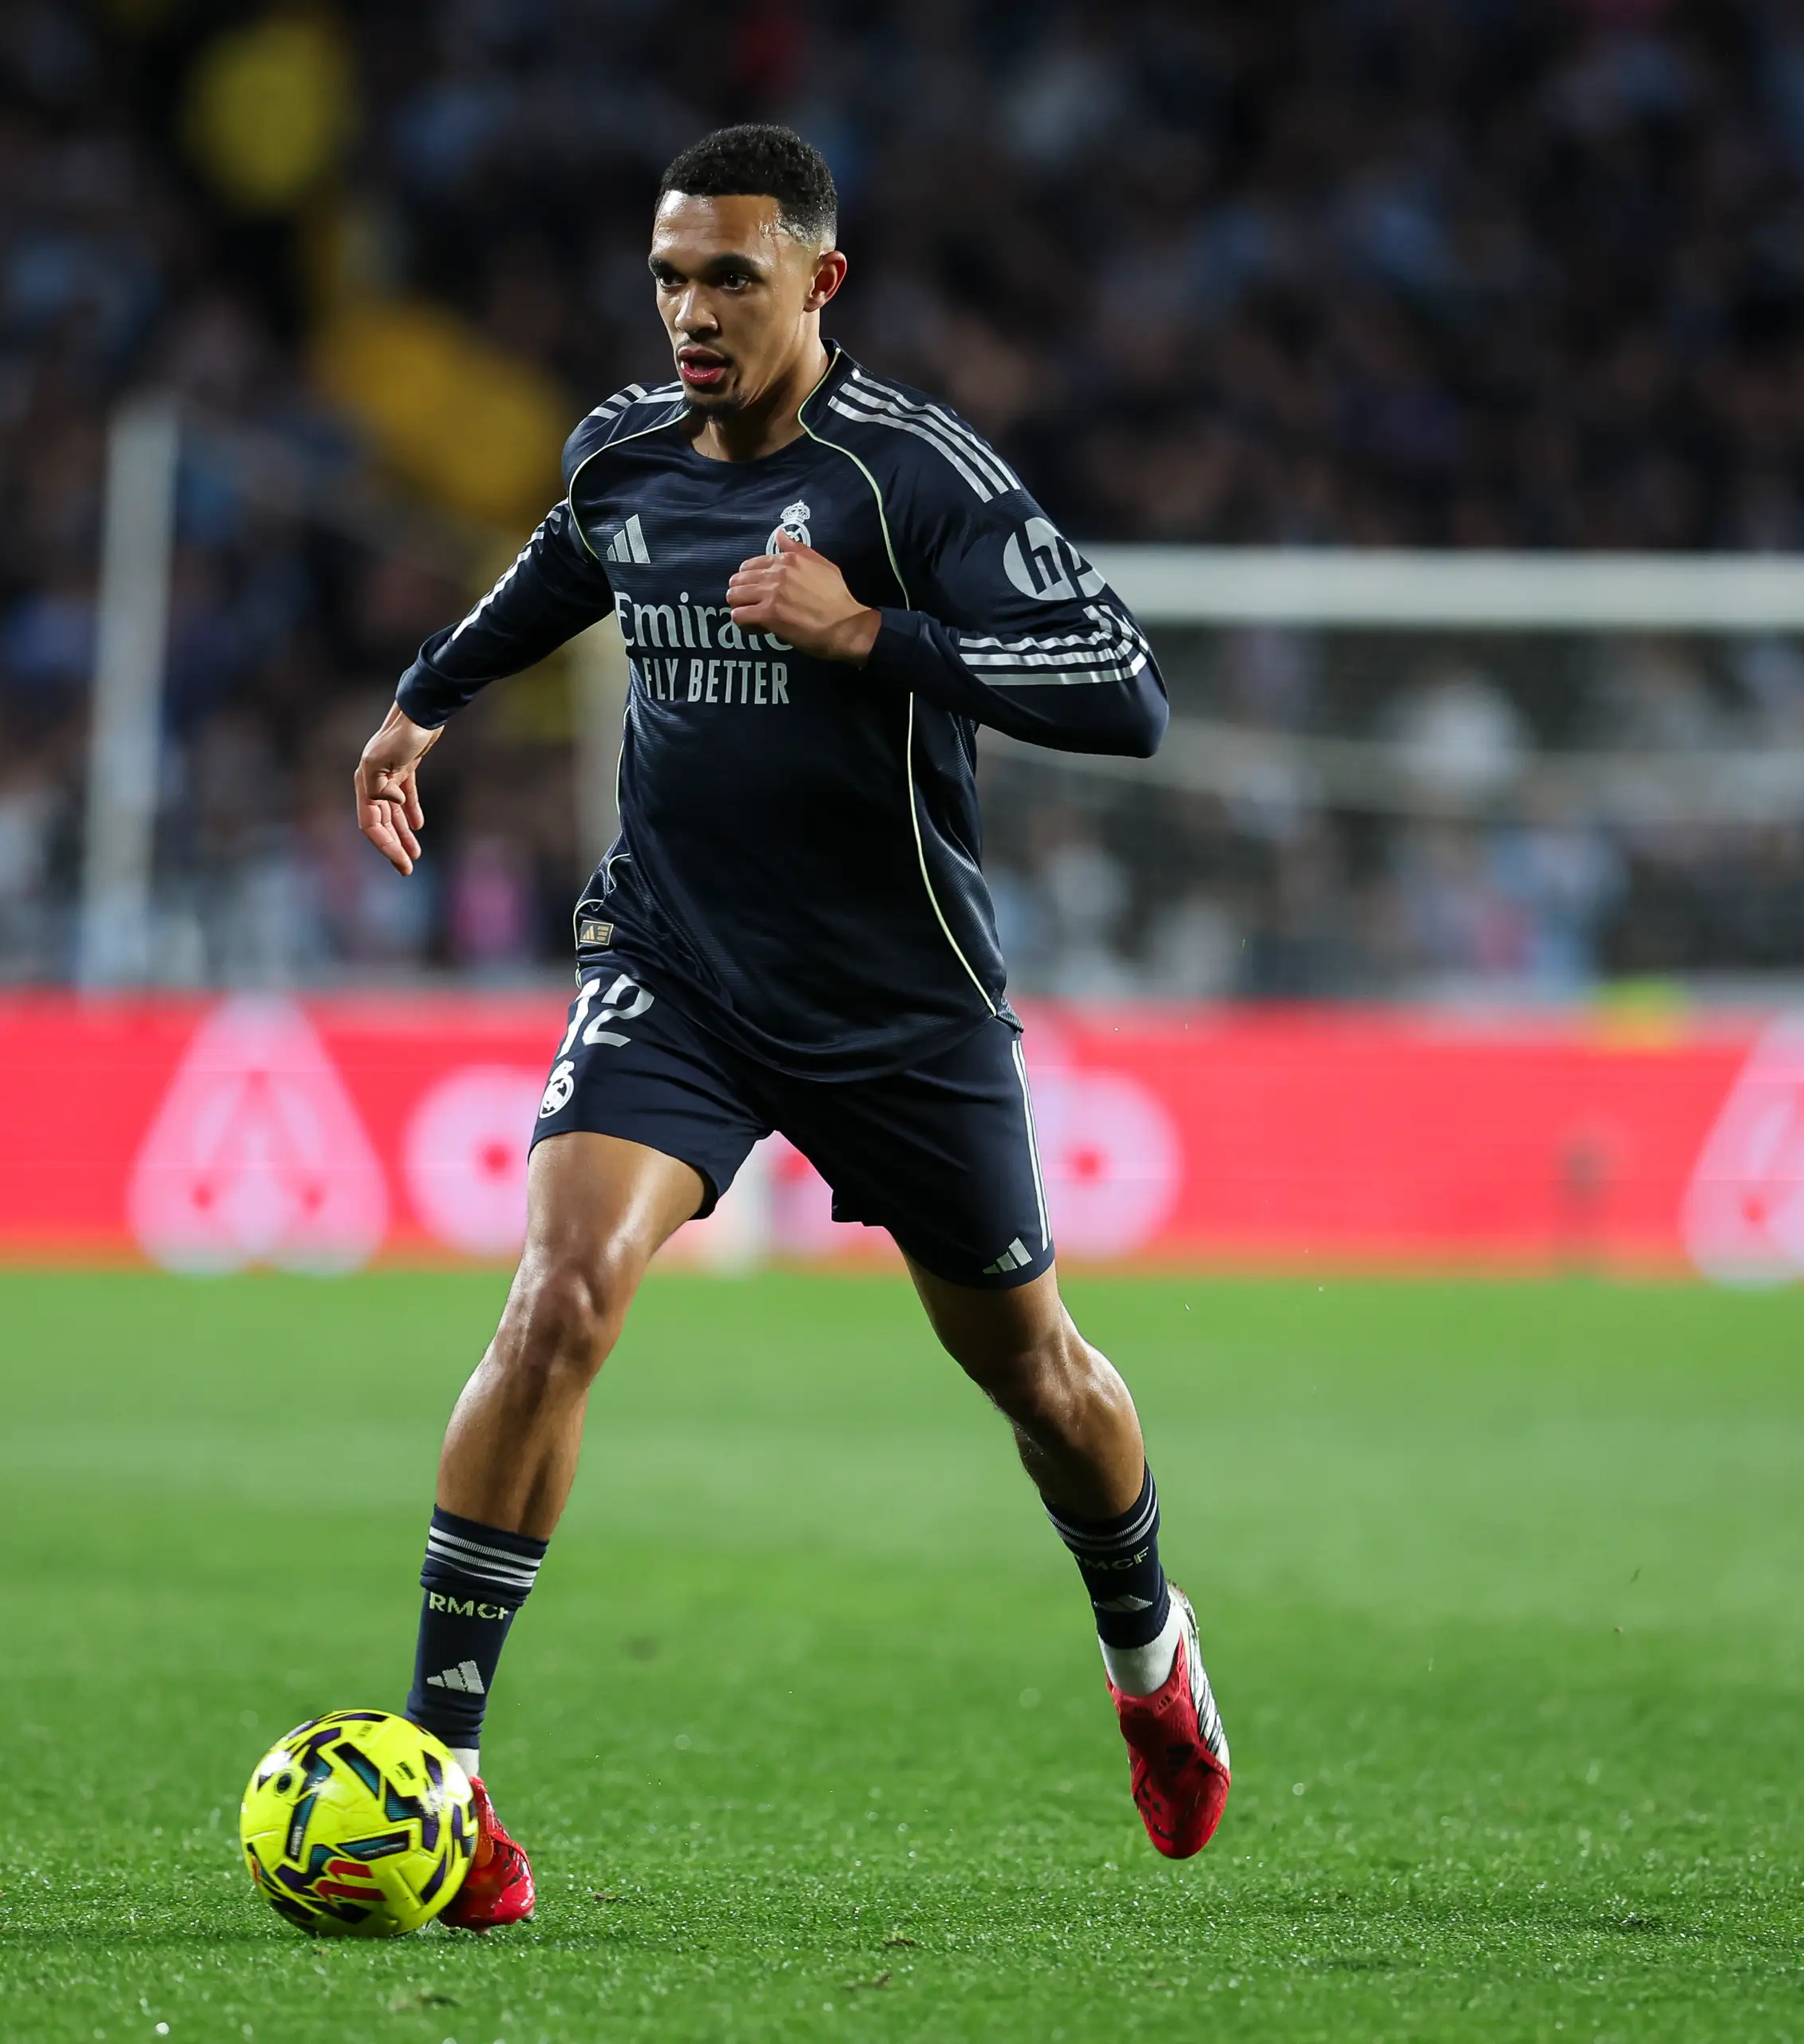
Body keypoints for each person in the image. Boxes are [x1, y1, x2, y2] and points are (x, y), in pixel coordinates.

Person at [350, 125, 1219, 1930]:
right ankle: (446, 1779)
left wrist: (872, 634)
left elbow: (1126, 694)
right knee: (561, 1288)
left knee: (1038, 1378)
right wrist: (422, 703)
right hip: (676, 969)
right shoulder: (625, 451)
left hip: (901, 1006)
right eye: (669, 274)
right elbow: (568, 563)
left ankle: (1152, 1655)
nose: (690, 309)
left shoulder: (913, 480)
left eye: (729, 277)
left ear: (819, 283)